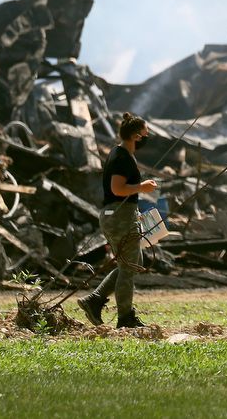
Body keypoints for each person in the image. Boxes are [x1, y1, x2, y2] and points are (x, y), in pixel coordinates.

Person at [76, 112, 157, 328]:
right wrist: (142, 187)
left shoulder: (122, 154)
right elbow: (117, 189)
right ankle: (125, 317)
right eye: (145, 133)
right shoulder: (122, 157)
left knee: (131, 263)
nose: (147, 137)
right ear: (135, 136)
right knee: (128, 267)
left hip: (122, 214)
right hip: (119, 216)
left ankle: (95, 300)